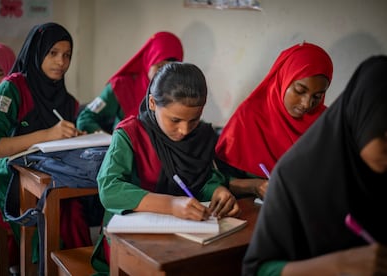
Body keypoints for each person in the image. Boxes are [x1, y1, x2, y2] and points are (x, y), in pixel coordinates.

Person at [242, 55, 387, 276]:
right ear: (362, 118)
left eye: (317, 96)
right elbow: (256, 270)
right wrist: (338, 266)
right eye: (384, 133)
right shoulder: (297, 175)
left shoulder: (322, 120)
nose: (306, 104)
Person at [91, 62, 240, 274]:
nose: (184, 130)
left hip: (190, 237)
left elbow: (203, 179)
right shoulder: (130, 134)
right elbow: (109, 188)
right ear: (152, 103)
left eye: (194, 119)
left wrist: (218, 191)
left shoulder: (202, 135)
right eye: (175, 120)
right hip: (131, 241)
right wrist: (170, 205)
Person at [0, 22, 92, 270]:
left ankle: (69, 268)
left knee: (72, 214)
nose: (61, 62)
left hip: (51, 178)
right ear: (37, 51)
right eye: (53, 53)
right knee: (44, 219)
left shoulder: (67, 101)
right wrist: (47, 134)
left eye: (67, 55)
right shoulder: (12, 88)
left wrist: (73, 136)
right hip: (9, 178)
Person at [215, 42, 333, 199]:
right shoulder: (250, 116)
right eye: (300, 91)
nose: (306, 104)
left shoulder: (326, 122)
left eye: (317, 96)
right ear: (283, 79)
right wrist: (255, 186)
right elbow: (221, 181)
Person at [76, 31, 183, 134]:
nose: (165, 74)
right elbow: (85, 118)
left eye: (171, 69)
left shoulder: (180, 93)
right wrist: (109, 141)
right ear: (148, 61)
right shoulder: (121, 86)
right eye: (159, 67)